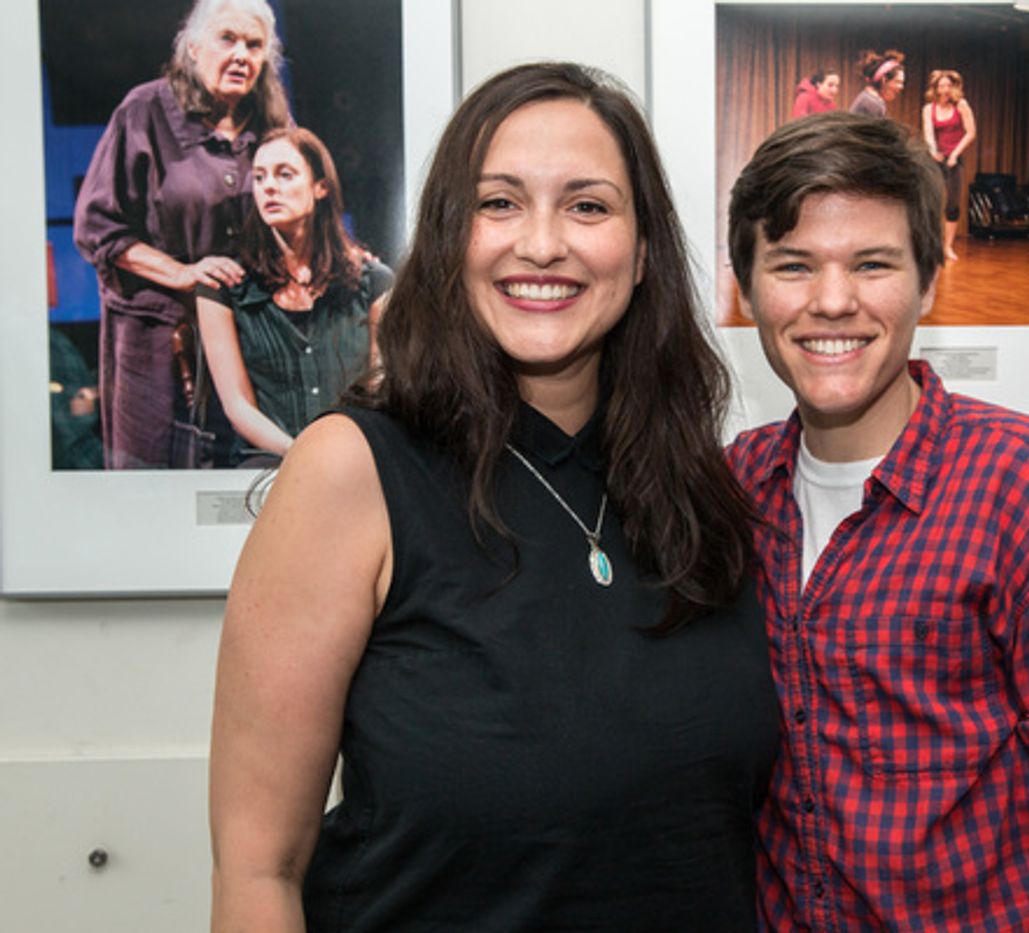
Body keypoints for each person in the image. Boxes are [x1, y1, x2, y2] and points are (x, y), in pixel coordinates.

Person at [208, 62, 780, 931]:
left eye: (587, 205)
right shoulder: (351, 474)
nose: (542, 243)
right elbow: (259, 870)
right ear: (448, 240)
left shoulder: (701, 489)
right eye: (499, 202)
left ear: (644, 249)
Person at [726, 111, 1029, 931]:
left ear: (928, 281)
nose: (832, 300)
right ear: (747, 290)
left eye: (872, 263)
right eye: (793, 264)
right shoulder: (731, 489)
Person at [73, 0, 291, 468]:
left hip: (248, 338)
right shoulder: (144, 110)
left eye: (254, 45)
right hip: (158, 341)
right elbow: (97, 228)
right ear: (193, 48)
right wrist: (183, 272)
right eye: (227, 39)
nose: (241, 55)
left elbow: (302, 204)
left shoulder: (272, 121)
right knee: (155, 480)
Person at [195, 128, 390, 462]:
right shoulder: (224, 287)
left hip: (353, 460)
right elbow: (237, 406)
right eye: (259, 177)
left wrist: (342, 453)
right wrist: (300, 454)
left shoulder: (373, 282)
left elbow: (381, 383)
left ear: (320, 187)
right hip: (266, 466)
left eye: (285, 174)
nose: (269, 186)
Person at [921, 69, 977, 261]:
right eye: (941, 86)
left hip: (954, 158)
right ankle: (931, 245)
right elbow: (928, 133)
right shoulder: (929, 108)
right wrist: (932, 151)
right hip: (935, 157)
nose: (944, 89)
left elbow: (970, 132)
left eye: (948, 85)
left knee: (952, 205)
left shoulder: (961, 105)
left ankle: (948, 247)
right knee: (932, 202)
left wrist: (954, 154)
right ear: (935, 88)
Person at [849, 49, 905, 118]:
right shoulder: (873, 103)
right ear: (884, 80)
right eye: (898, 82)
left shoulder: (869, 98)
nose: (901, 87)